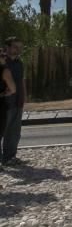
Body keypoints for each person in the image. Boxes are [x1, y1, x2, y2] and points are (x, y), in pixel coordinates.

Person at [1, 37, 27, 167]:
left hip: (17, 101)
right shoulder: (2, 62)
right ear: (8, 47)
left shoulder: (19, 63)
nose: (18, 50)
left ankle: (10, 157)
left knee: (14, 132)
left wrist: (24, 97)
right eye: (16, 47)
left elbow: (22, 81)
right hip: (4, 103)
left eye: (20, 47)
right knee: (2, 131)